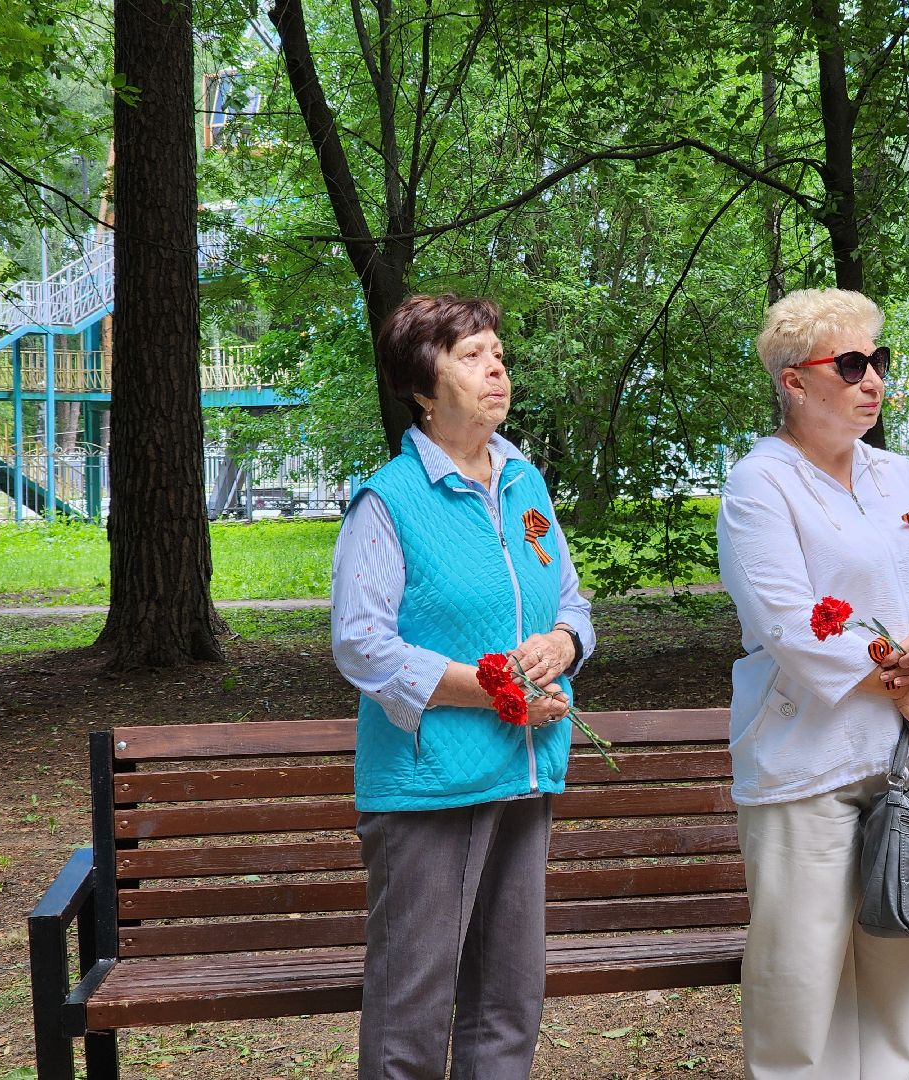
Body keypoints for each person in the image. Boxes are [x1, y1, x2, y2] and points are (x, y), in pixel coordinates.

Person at [716, 288, 909, 1080]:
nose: (874, 380)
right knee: (801, 987)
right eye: (852, 364)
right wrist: (903, 687)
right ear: (795, 382)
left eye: (880, 361)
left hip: (902, 770)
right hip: (808, 764)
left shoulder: (899, 476)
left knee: (894, 988)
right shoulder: (759, 486)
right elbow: (790, 622)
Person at [331, 293, 594, 1080]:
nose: (496, 366)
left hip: (525, 770)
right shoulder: (390, 500)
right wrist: (491, 689)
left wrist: (560, 643)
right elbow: (361, 643)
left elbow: (572, 602)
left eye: (498, 351)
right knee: (413, 1012)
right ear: (423, 382)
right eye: (472, 353)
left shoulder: (525, 483)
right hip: (428, 786)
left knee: (508, 1004)